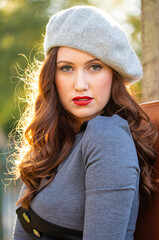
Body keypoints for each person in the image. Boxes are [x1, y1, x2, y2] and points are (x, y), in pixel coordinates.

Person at [12, 5, 157, 240]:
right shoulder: (52, 140)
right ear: (52, 76)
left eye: (95, 67)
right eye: (66, 68)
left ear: (114, 75)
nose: (80, 84)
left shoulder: (107, 137)